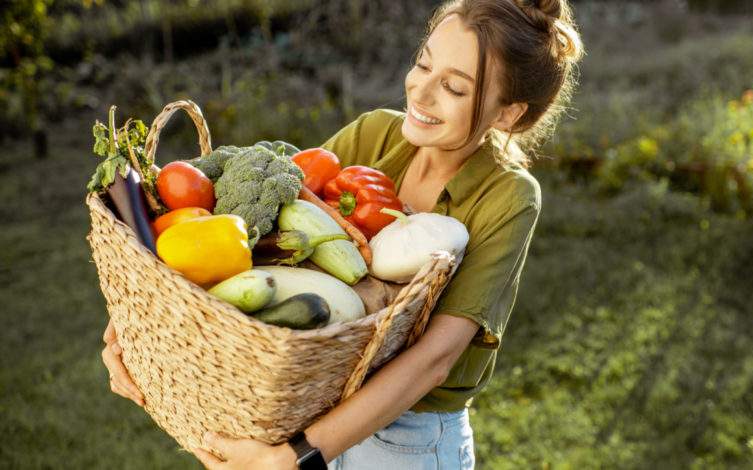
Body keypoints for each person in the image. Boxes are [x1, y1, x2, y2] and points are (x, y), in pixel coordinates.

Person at [101, 0, 583, 468]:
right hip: (308, 405)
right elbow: (245, 241)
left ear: (507, 114)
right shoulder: (374, 134)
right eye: (422, 64)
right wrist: (136, 330)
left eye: (454, 88)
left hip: (402, 442)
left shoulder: (508, 197)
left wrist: (297, 458)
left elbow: (437, 358)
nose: (420, 92)